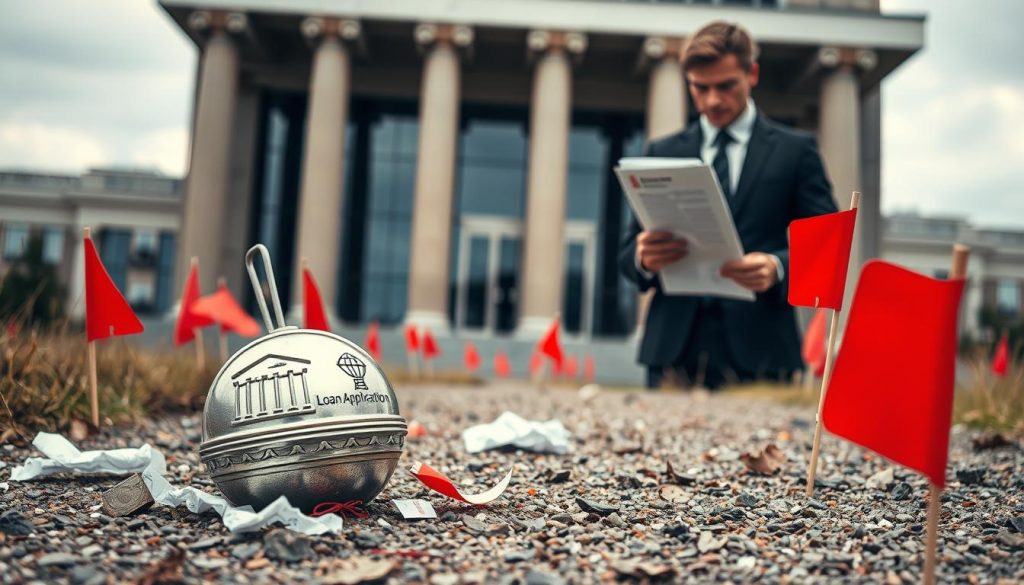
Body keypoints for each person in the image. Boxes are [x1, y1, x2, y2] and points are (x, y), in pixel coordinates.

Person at [619, 21, 838, 390]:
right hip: (672, 350)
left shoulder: (795, 151)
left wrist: (778, 266)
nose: (713, 101)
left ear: (751, 74)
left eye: (725, 86)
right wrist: (643, 257)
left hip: (763, 348)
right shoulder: (661, 152)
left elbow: (829, 243)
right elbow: (627, 253)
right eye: (699, 88)